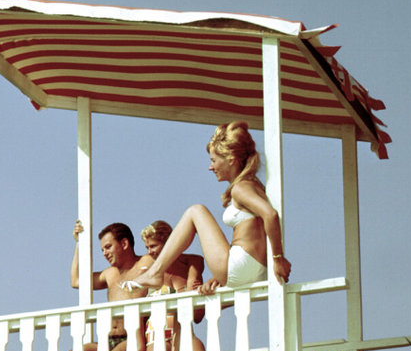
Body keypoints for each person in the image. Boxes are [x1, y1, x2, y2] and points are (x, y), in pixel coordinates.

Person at [123, 122, 291, 295]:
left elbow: (270, 215)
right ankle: (156, 273)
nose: (211, 167)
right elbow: (253, 232)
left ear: (231, 160)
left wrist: (278, 258)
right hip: (251, 267)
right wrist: (219, 277)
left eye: (213, 161)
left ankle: (155, 272)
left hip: (242, 265)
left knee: (195, 211)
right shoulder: (253, 184)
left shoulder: (240, 188)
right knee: (196, 212)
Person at [59, 220, 153, 351]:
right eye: (102, 249)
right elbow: (77, 280)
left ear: (124, 244)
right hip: (108, 340)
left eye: (108, 247)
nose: (105, 253)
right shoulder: (110, 274)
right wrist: (79, 243)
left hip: (133, 338)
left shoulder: (145, 262)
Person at [138, 220, 209, 351]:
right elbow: (135, 309)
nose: (150, 251)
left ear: (170, 242)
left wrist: (194, 284)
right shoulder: (148, 271)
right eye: (147, 247)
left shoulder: (192, 263)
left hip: (185, 331)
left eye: (153, 246)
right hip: (157, 333)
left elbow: (198, 316)